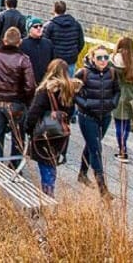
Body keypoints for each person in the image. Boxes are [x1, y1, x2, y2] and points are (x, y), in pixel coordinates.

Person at [0, 27, 36, 167]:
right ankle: (15, 167)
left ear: (4, 40)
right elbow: (30, 86)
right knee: (18, 137)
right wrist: (26, 100)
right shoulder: (24, 60)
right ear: (20, 42)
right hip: (17, 103)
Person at [25, 59, 82, 196]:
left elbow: (34, 112)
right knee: (52, 160)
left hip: (44, 132)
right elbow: (72, 112)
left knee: (44, 161)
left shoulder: (46, 90)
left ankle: (48, 193)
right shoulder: (70, 90)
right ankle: (50, 188)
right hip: (61, 132)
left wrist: (28, 128)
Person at [74, 45, 120, 199]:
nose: (103, 61)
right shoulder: (83, 72)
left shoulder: (112, 73)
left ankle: (82, 173)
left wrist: (113, 103)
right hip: (87, 116)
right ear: (92, 58)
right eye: (99, 57)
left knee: (92, 144)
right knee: (96, 148)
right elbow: (73, 92)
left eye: (106, 57)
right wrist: (85, 104)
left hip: (105, 115)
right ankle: (102, 188)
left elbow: (117, 91)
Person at [111, 37, 133, 164]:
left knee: (119, 124)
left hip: (118, 94)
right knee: (127, 124)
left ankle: (122, 150)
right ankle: (123, 148)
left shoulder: (114, 60)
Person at [43, 0, 85, 76]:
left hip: (56, 61)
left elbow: (46, 44)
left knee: (56, 83)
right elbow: (81, 43)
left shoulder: (51, 26)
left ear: (54, 10)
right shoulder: (76, 24)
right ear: (65, 9)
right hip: (71, 60)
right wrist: (75, 53)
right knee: (69, 84)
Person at [20, 17, 55, 85]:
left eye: (41, 26)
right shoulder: (23, 44)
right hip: (29, 82)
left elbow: (53, 61)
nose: (39, 28)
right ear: (29, 29)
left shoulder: (48, 43)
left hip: (45, 81)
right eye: (35, 26)